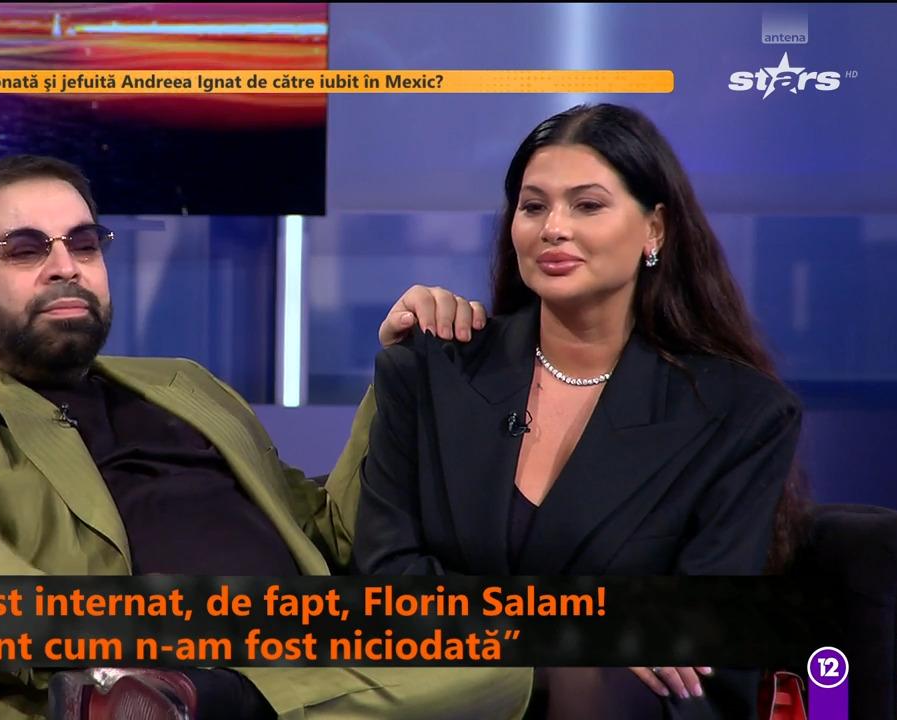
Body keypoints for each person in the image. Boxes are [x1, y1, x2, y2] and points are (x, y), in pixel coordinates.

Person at [0, 154, 530, 720]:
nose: (66, 265)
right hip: (84, 683)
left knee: (505, 661)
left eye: (83, 243)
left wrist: (398, 378)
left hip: (287, 654)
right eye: (25, 249)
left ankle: (210, 703)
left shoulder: (184, 385)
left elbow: (328, 535)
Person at [341, 104, 807, 719]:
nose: (553, 228)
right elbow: (386, 585)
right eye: (533, 207)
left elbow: (700, 634)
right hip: (442, 688)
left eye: (587, 205)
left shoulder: (740, 414)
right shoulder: (430, 371)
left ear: (654, 229)